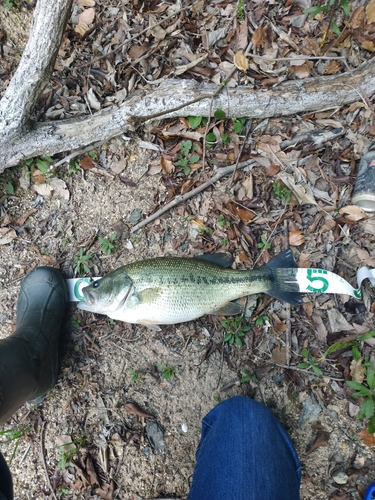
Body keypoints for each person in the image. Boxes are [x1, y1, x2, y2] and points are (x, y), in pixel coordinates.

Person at [0, 267, 301, 500]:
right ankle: (29, 358)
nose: (91, 292)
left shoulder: (131, 290)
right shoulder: (125, 293)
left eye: (97, 285)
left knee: (245, 420)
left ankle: (30, 355)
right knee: (245, 420)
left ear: (123, 286)